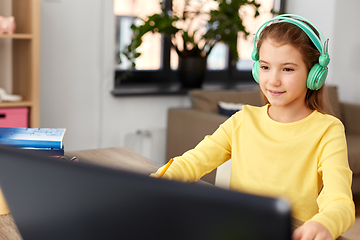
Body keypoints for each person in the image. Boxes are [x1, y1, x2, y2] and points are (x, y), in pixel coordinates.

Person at [151, 14, 355, 240]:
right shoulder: (242, 121)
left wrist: (324, 224)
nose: (273, 80)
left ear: (314, 75)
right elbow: (192, 162)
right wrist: (156, 182)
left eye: (287, 69)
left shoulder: (327, 130)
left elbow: (340, 202)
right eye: (266, 67)